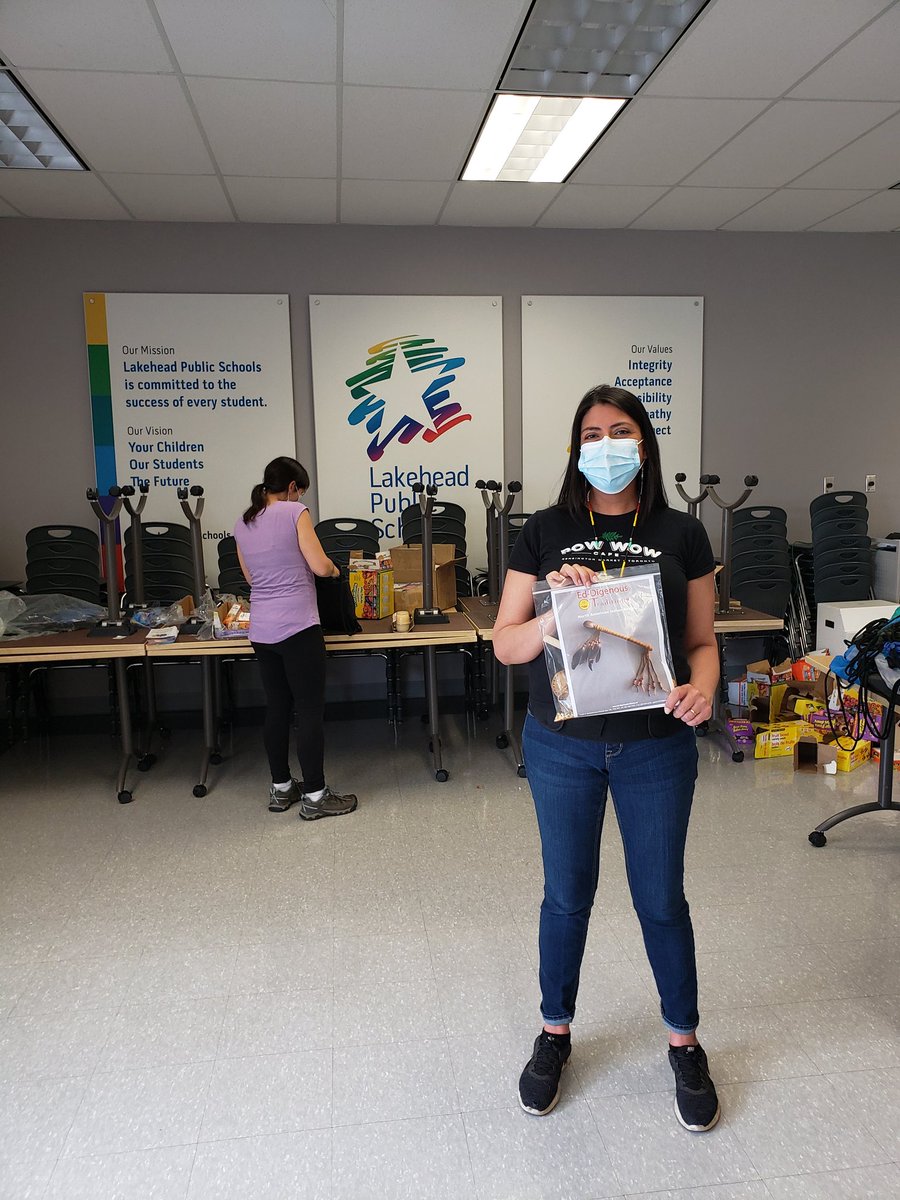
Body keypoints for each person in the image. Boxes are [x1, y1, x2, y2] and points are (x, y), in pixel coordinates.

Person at [494, 384, 720, 1132]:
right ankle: (555, 1031)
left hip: (657, 747)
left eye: (619, 431)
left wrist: (705, 693)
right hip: (561, 747)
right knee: (566, 896)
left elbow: (701, 644)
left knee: (662, 899)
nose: (605, 445)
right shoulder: (545, 530)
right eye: (591, 434)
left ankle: (684, 1041)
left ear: (644, 444)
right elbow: (505, 643)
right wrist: (552, 613)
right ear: (576, 448)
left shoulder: (683, 533)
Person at [233, 456, 357, 820]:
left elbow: (252, 579)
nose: (300, 496)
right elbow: (320, 566)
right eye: (300, 490)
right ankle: (316, 795)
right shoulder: (294, 512)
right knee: (309, 711)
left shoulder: (244, 521)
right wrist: (335, 568)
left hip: (263, 630)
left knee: (277, 707)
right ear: (291, 488)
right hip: (298, 627)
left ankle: (281, 788)